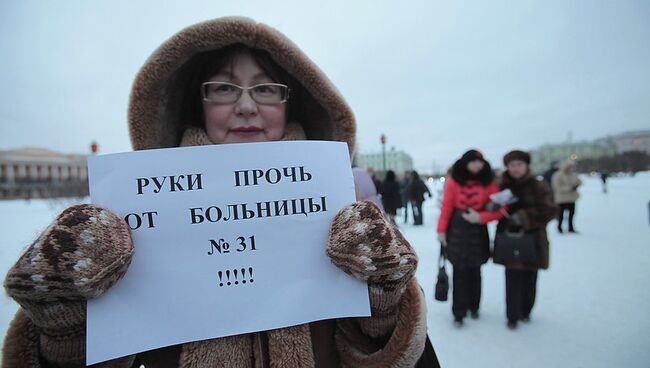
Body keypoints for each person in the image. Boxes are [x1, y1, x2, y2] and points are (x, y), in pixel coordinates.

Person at [3, 17, 437, 367]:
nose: (246, 105)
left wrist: (383, 308)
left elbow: (386, 356)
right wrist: (63, 325)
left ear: (292, 101)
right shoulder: (133, 212)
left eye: (266, 88)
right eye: (225, 88)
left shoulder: (340, 205)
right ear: (199, 103)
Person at [436, 149, 500, 326]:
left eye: (480, 162)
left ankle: (474, 305)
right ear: (465, 163)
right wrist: (441, 231)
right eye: (473, 162)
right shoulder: (453, 181)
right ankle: (459, 311)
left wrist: (482, 217)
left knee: (475, 271)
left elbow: (500, 208)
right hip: (457, 229)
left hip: (478, 230)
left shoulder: (488, 181)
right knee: (459, 271)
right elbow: (446, 207)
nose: (477, 165)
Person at [494, 150, 557, 329]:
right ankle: (512, 315)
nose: (516, 169)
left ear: (526, 166)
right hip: (509, 238)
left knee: (530, 276)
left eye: (519, 164)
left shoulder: (539, 185)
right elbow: (492, 204)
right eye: (512, 165)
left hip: (532, 238)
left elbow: (550, 210)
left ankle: (526, 311)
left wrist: (524, 217)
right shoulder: (502, 185)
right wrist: (492, 206)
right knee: (512, 277)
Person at [552, 160, 582, 233]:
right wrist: (569, 188)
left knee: (571, 214)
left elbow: (579, 181)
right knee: (560, 215)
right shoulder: (558, 175)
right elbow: (557, 187)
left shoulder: (573, 175)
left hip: (571, 198)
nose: (571, 169)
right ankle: (559, 227)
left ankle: (570, 227)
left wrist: (577, 185)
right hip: (561, 199)